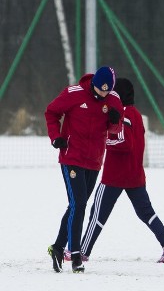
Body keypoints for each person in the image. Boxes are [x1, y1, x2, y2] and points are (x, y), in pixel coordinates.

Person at [76, 77, 164, 264]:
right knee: (146, 212)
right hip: (135, 174)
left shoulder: (122, 113)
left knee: (97, 215)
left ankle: (82, 252)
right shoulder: (136, 114)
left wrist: (104, 142)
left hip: (115, 175)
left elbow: (124, 143)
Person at [45, 66, 124, 273]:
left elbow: (115, 130)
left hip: (95, 160)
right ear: (94, 84)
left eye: (107, 91)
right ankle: (76, 254)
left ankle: (57, 247)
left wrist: (115, 121)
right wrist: (56, 137)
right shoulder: (75, 93)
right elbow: (51, 112)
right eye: (99, 90)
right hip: (71, 157)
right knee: (79, 203)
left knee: (76, 205)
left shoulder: (114, 100)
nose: (103, 94)